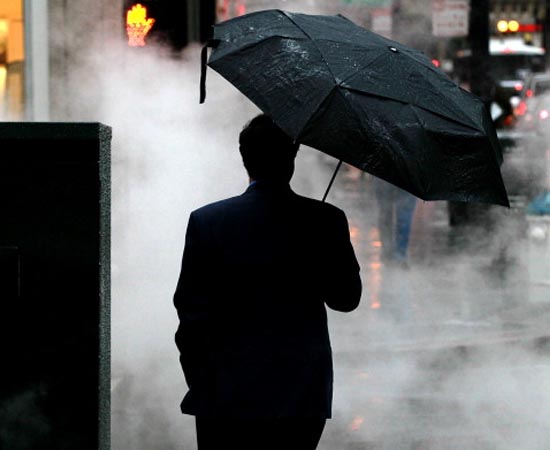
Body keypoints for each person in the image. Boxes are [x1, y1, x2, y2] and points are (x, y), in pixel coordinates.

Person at [173, 114, 362, 450]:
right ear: (291, 160)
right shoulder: (325, 220)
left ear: (246, 160)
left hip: (225, 392)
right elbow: (346, 298)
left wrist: (203, 380)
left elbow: (190, 314)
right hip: (300, 392)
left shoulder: (207, 221)